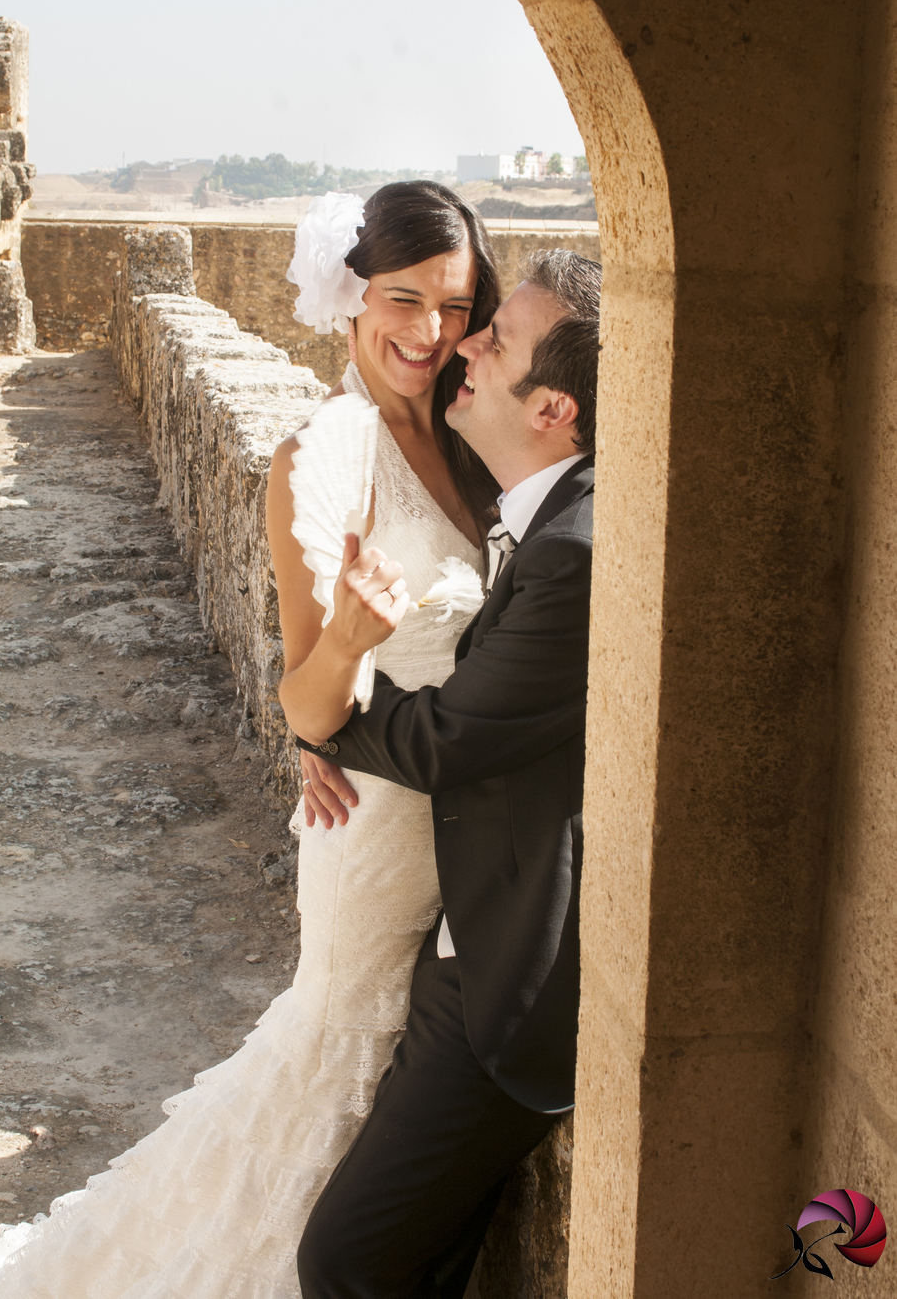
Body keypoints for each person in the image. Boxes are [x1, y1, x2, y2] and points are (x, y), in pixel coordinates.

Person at [0, 182, 501, 1299]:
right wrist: (356, 641)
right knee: (345, 1058)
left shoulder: (474, 431)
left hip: (471, 808)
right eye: (403, 299)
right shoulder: (324, 454)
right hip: (381, 824)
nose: (429, 331)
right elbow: (307, 698)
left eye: (455, 304)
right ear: (352, 298)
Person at [283, 248, 601, 1299]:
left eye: (490, 336)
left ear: (553, 407)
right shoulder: (525, 498)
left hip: (506, 977)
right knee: (423, 1253)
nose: (460, 343)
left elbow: (448, 741)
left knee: (345, 1257)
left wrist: (327, 703)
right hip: (444, 918)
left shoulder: (579, 546)